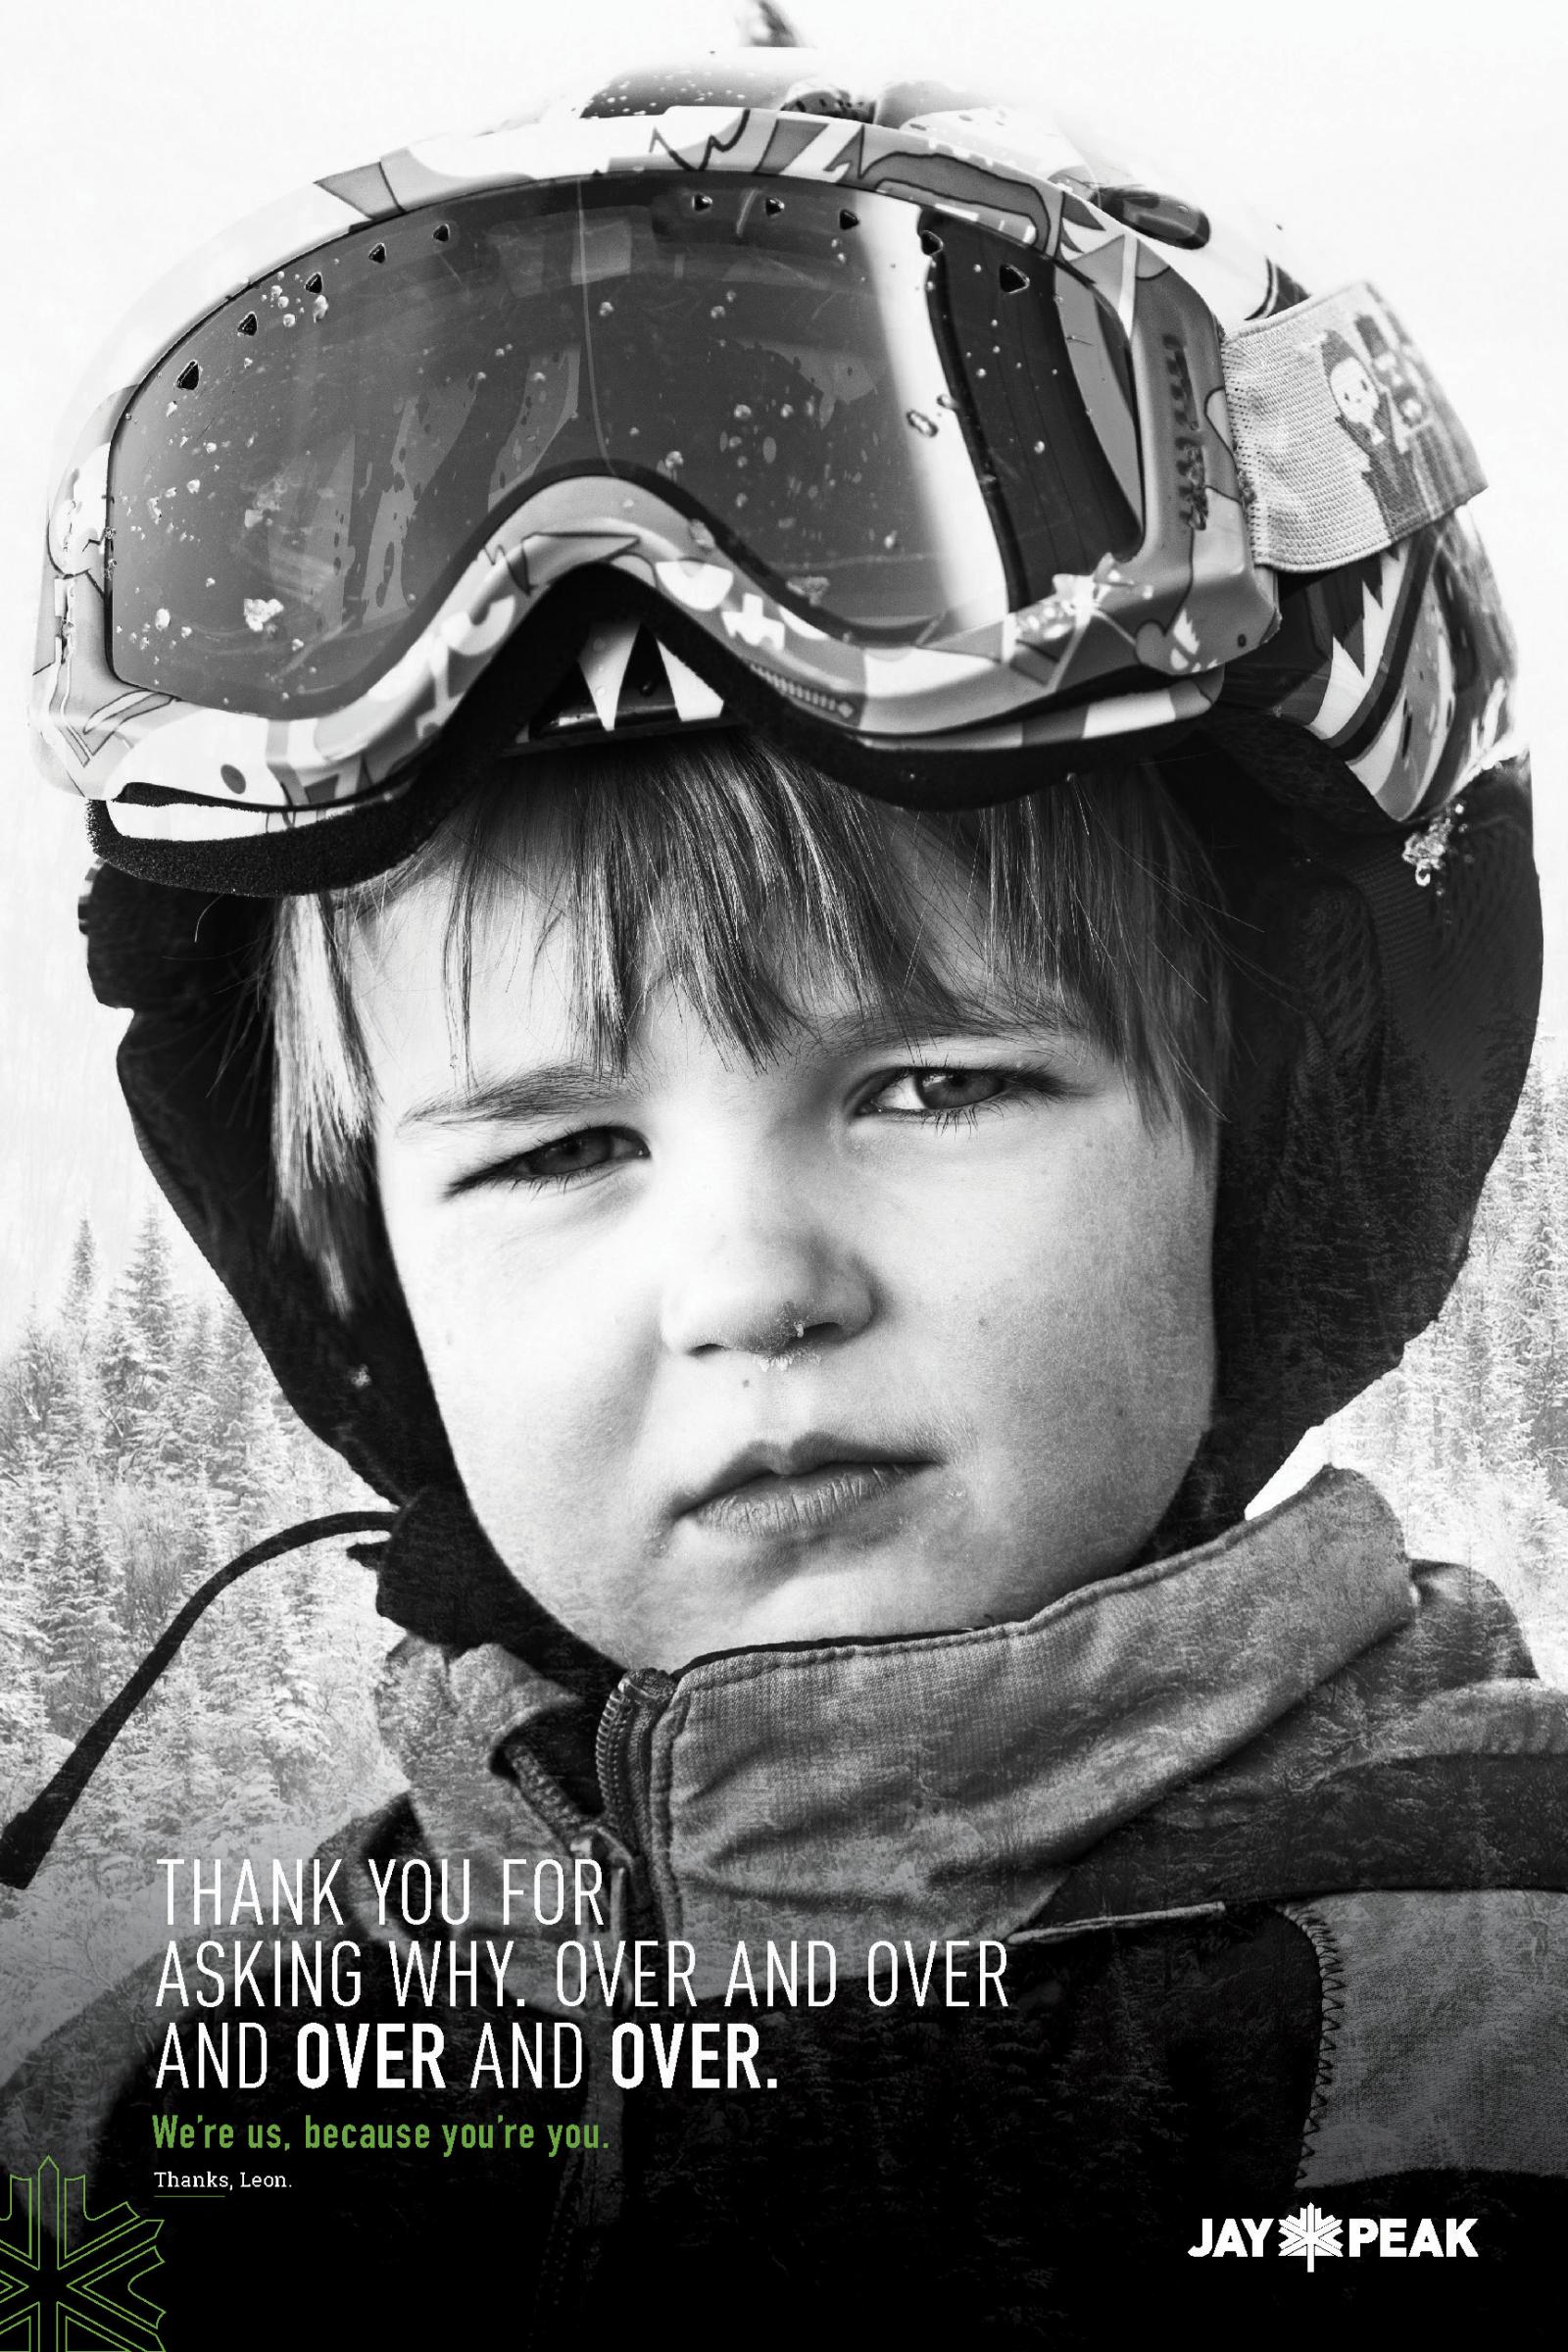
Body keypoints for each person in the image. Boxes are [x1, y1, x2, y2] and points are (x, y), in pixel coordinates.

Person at [3, 40, 1560, 2333]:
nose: (748, 1284)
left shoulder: (1508, 2039)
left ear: (1277, 1144)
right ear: (347, 1261)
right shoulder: (134, 2146)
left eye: (934, 1089)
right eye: (551, 1146)